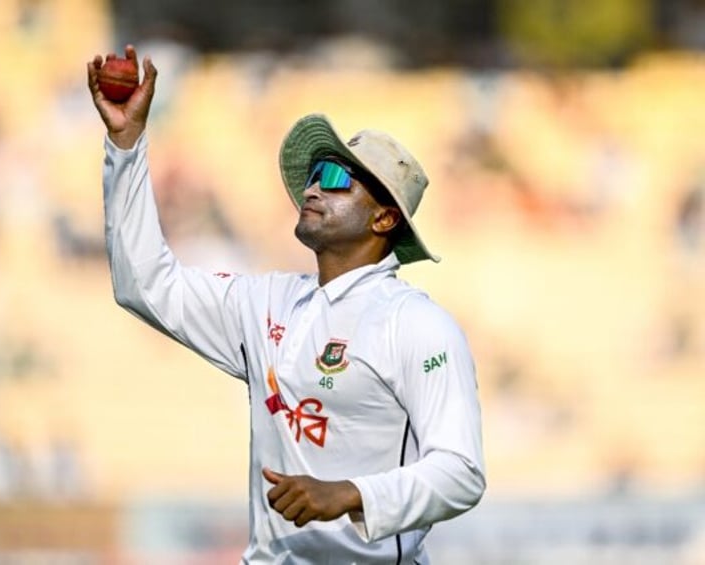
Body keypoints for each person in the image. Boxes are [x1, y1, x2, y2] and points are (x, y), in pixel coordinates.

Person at [88, 45, 485, 564]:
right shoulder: (266, 301)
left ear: (385, 219)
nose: (316, 187)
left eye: (340, 179)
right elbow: (144, 284)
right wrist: (126, 143)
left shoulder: (417, 324)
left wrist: (350, 493)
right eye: (317, 173)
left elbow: (461, 472)